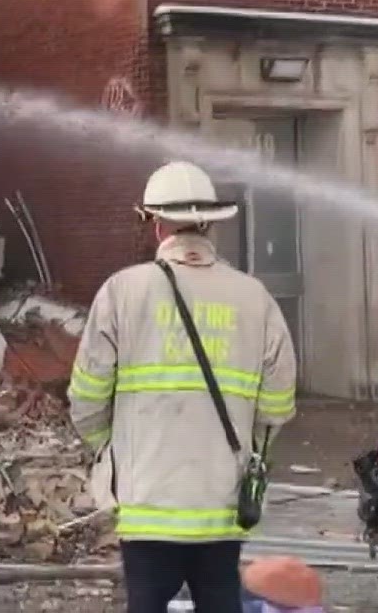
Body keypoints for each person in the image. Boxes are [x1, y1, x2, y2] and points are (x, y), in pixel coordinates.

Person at [69, 160, 297, 613]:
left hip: (147, 502)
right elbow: (277, 404)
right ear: (210, 225)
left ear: (156, 225)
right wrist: (249, 448)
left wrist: (111, 450)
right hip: (221, 503)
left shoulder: (121, 292)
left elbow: (86, 398)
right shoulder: (254, 298)